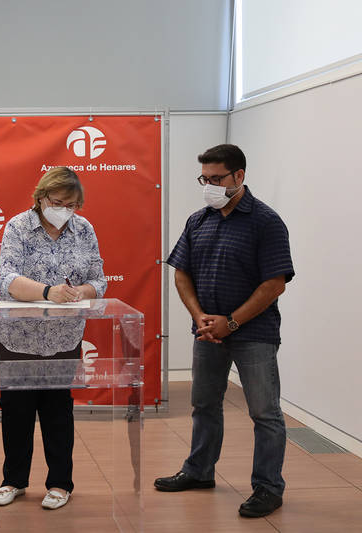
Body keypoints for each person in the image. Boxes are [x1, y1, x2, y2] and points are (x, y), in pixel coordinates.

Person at [154, 144, 294, 518]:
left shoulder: (266, 222)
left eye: (217, 179)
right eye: (204, 179)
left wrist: (230, 322)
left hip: (254, 335)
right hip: (207, 334)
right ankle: (199, 471)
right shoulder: (199, 220)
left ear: (239, 176)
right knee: (204, 405)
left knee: (264, 412)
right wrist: (201, 316)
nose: (210, 186)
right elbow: (181, 273)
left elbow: (274, 284)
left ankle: (268, 488)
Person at [0, 166, 107, 510]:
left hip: (63, 336)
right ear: (41, 198)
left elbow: (99, 280)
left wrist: (81, 291)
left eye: (71, 205)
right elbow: (7, 279)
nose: (64, 210)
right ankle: (13, 480)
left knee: (58, 410)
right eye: (57, 202)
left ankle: (59, 483)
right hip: (17, 336)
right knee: (17, 410)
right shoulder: (18, 227)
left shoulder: (84, 230)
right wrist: (47, 292)